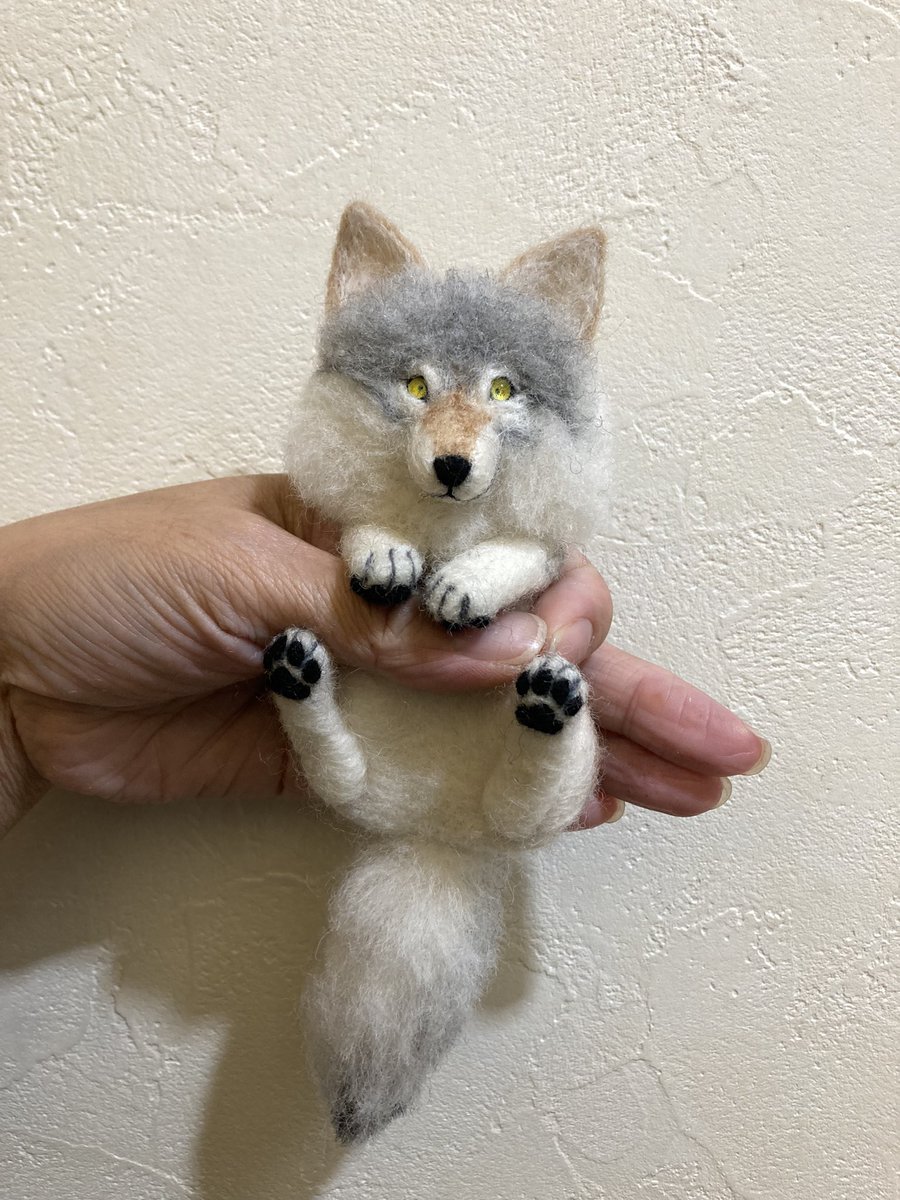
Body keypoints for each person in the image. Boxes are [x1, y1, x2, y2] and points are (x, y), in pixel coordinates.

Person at [0, 474, 769, 837]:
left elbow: (536, 556)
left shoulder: (531, 528)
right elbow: (369, 539)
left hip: (473, 786)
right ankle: (310, 705)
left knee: (518, 810)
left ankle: (546, 732)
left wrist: (19, 715)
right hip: (384, 771)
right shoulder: (364, 512)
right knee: (348, 780)